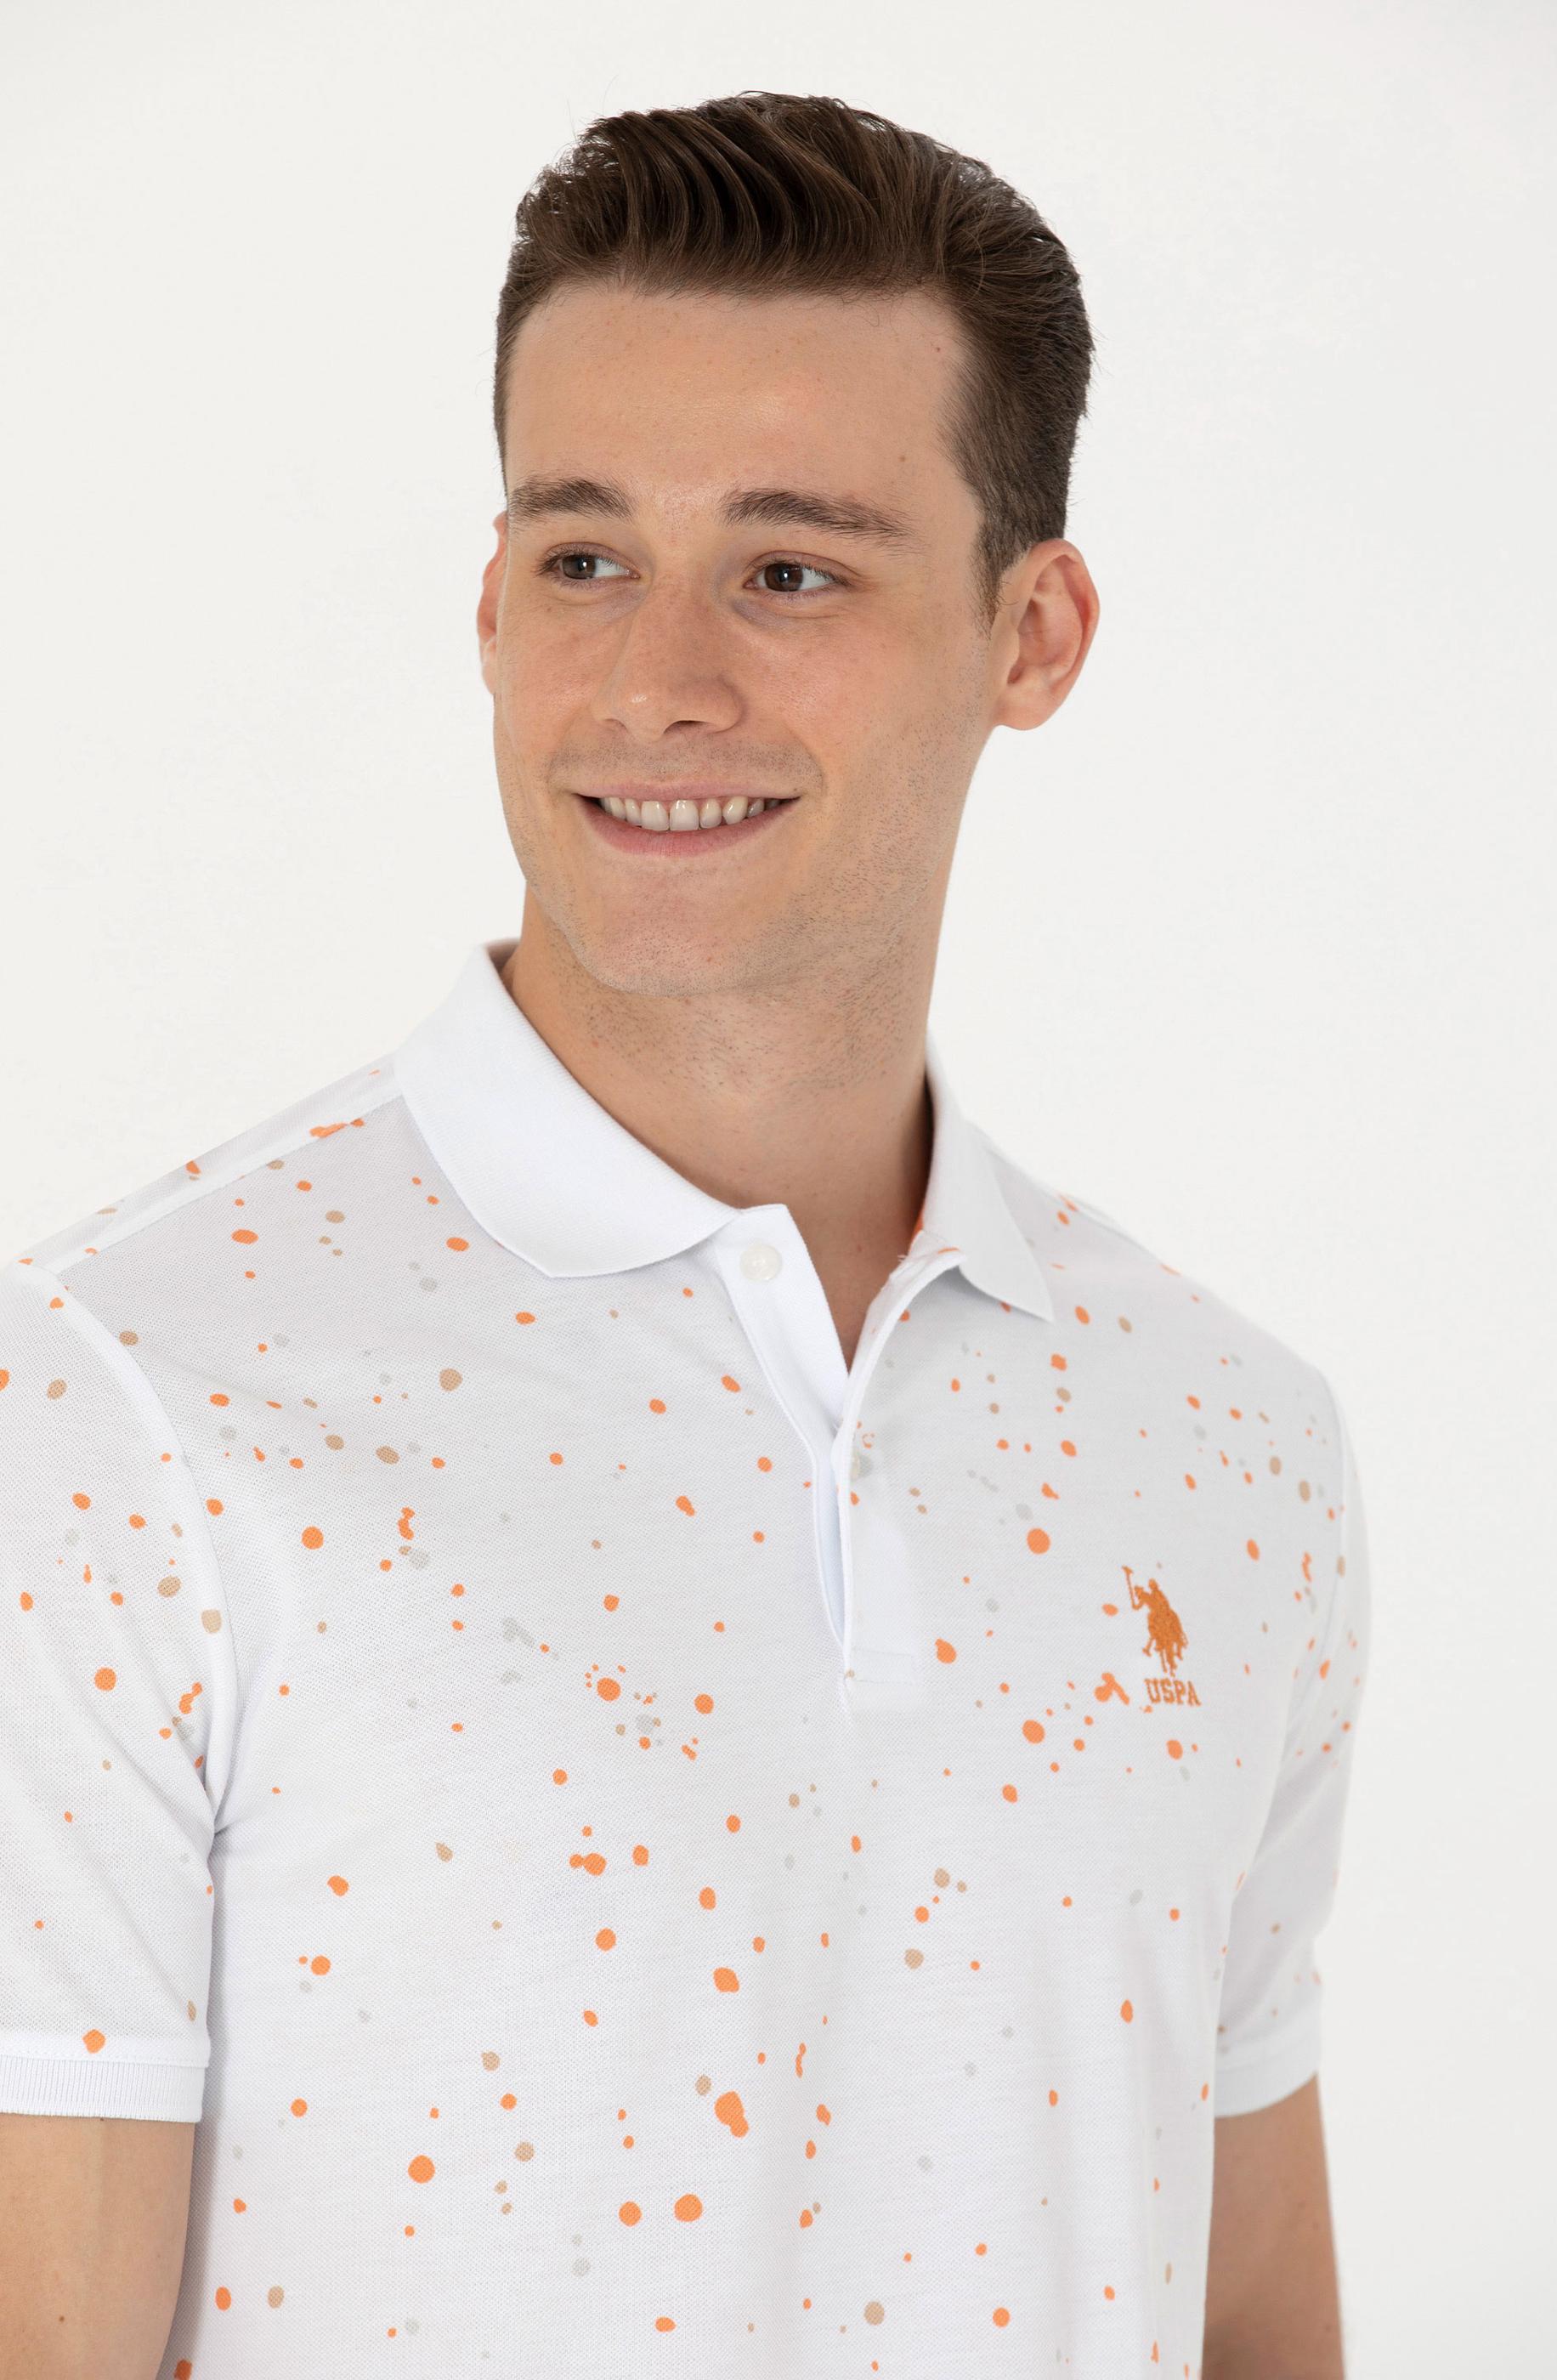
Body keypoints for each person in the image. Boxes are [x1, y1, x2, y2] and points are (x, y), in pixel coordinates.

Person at [0, 90, 1371, 2380]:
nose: (658, 683)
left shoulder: (1227, 1446)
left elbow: (1241, 2306)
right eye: (583, 557)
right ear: (488, 603)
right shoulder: (119, 1404)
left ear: (1032, 633)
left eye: (791, 570)